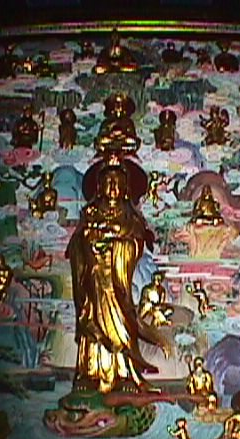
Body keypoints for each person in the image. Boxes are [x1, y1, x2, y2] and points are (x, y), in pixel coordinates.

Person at [66, 153, 168, 393]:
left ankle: (123, 374)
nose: (112, 188)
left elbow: (136, 241)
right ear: (99, 187)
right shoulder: (91, 213)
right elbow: (77, 244)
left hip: (116, 281)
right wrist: (90, 243)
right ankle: (90, 374)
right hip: (94, 279)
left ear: (125, 188)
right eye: (108, 182)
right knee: (93, 325)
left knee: (121, 326)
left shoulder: (129, 215)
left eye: (117, 183)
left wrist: (115, 244)